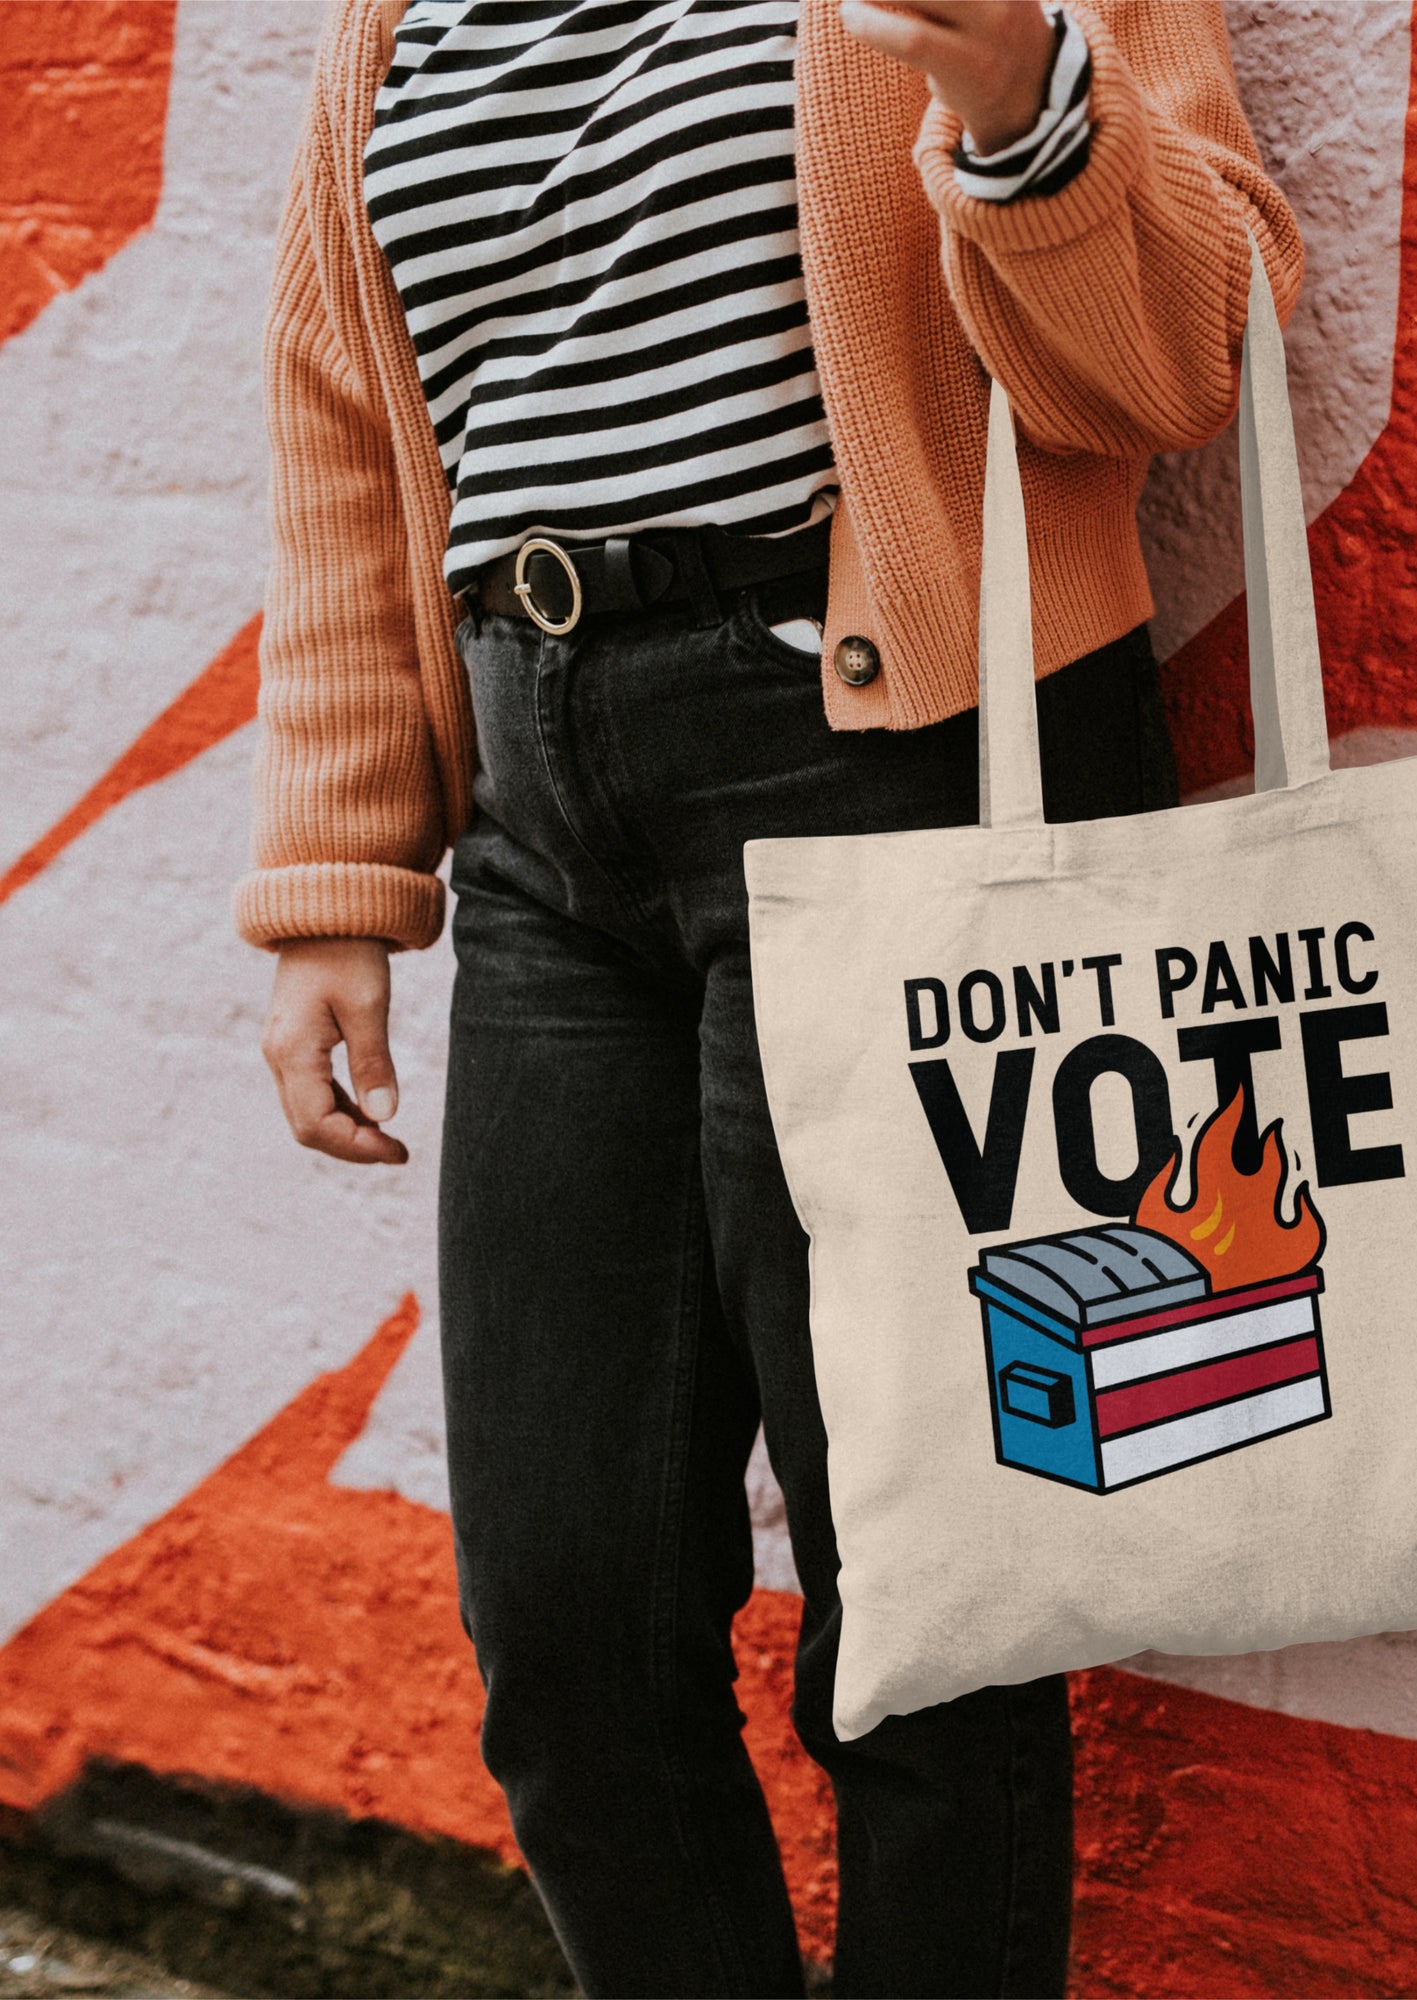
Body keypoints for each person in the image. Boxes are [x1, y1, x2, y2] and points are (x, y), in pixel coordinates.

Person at [241, 1, 1300, 1993]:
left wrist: (1018, 97)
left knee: (923, 1626)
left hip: (898, 769)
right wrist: (333, 875)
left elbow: (1176, 354)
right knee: (567, 1636)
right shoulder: (390, 14)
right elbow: (340, 422)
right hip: (546, 820)